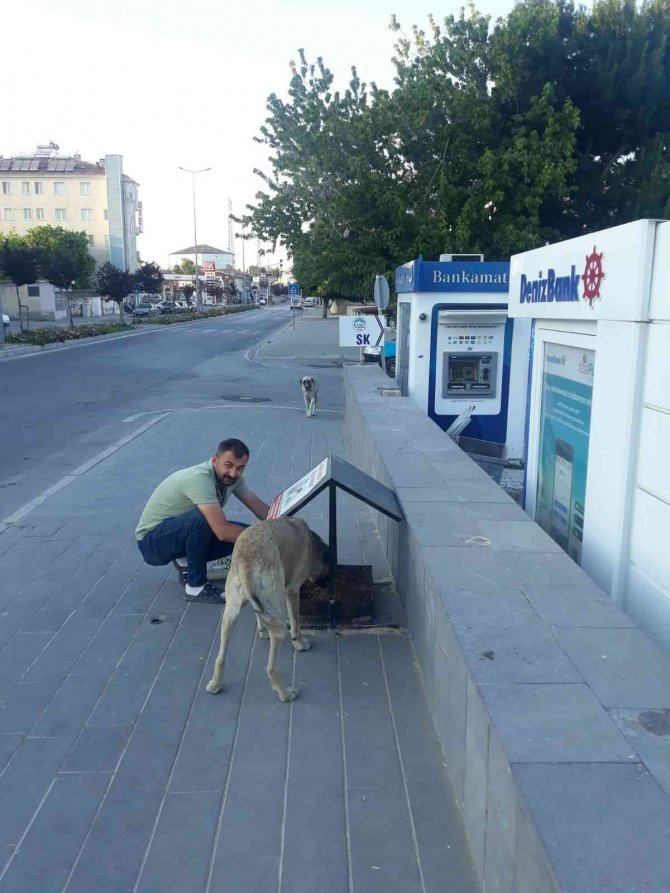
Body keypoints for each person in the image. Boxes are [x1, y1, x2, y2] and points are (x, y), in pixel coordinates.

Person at [135, 438, 269, 604]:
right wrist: (266, 539)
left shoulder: (234, 479)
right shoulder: (199, 479)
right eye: (228, 465)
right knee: (203, 520)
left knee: (246, 534)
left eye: (240, 468)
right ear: (215, 460)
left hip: (179, 532)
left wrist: (285, 525)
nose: (233, 473)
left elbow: (261, 509)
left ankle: (186, 561)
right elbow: (222, 532)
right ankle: (195, 587)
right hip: (152, 543)